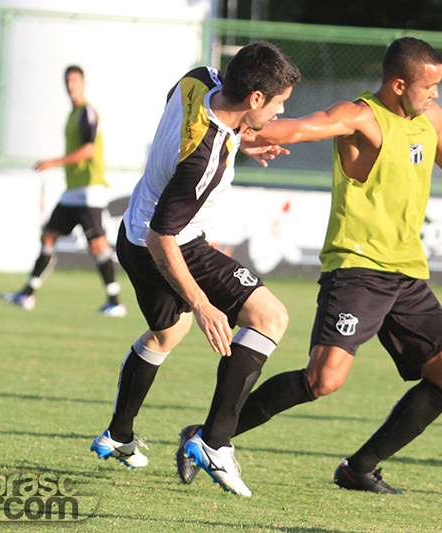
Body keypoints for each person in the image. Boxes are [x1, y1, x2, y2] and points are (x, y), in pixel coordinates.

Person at [211, 36, 442, 494]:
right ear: (399, 84)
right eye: (429, 86)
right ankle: (212, 437)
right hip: (357, 270)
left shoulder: (430, 119)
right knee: (323, 380)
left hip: (407, 274)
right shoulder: (360, 116)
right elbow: (301, 127)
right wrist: (243, 130)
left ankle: (359, 467)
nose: (436, 95)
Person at [89, 42, 300, 498]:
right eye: (280, 102)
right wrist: (204, 304)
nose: (283, 111)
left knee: (167, 334)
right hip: (168, 243)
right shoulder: (204, 160)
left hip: (132, 229)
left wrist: (241, 140)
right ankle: (215, 441)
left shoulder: (199, 79)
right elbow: (163, 237)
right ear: (256, 99)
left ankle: (118, 436)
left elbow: (192, 112)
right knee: (270, 317)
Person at [0, 65, 126, 317]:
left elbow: (89, 149)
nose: (71, 85)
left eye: (75, 80)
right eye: (68, 81)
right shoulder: (73, 113)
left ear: (83, 83)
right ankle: (27, 294)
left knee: (99, 247)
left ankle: (115, 302)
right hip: (73, 192)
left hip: (89, 192)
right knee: (48, 236)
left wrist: (53, 162)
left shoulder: (87, 112)